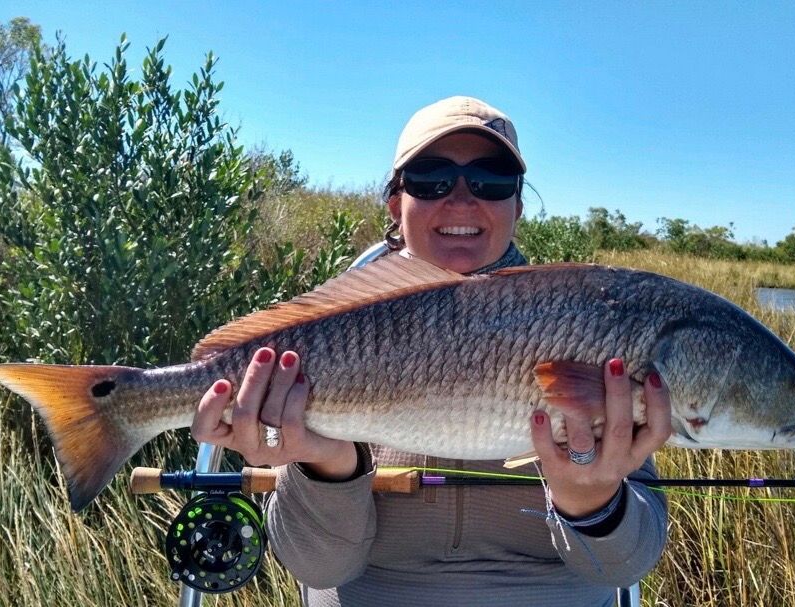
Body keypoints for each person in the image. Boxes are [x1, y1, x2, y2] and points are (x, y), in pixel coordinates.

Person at [191, 96, 671, 606]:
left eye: (491, 179)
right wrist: (323, 464)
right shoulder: (332, 335)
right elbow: (318, 565)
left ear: (517, 207)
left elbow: (624, 564)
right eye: (431, 177)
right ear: (396, 205)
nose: (462, 199)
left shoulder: (585, 324)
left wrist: (591, 501)